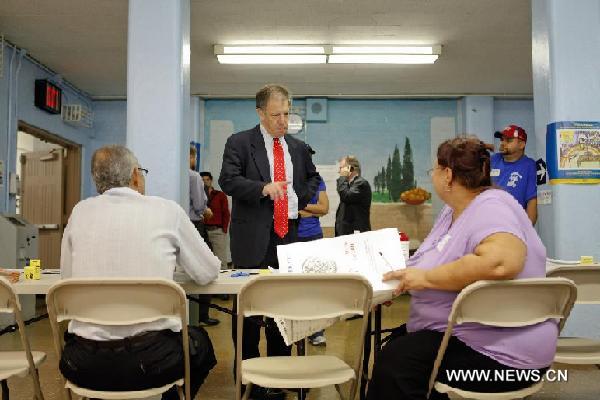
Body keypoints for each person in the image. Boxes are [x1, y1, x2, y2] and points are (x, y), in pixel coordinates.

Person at [367, 137, 551, 400]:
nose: (434, 177)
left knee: (396, 364)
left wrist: (426, 279)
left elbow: (502, 262)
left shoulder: (492, 206)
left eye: (435, 171)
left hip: (500, 356)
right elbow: (431, 259)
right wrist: (399, 281)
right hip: (471, 336)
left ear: (448, 175)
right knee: (396, 344)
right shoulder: (455, 211)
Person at [59, 145, 221, 400]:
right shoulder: (167, 210)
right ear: (135, 175)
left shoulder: (80, 213)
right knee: (200, 343)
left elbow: (66, 283)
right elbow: (207, 271)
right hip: (151, 361)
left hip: (84, 362)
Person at [219, 84, 321, 400]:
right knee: (250, 312)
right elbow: (228, 181)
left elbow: (314, 178)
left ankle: (278, 375)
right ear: (260, 112)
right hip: (253, 237)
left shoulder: (298, 147)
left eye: (287, 113)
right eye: (276, 114)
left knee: (282, 309)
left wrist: (299, 195)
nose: (282, 121)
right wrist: (264, 188)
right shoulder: (240, 142)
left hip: (288, 237)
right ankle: (250, 376)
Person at [297, 144, 330, 346]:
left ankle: (316, 331)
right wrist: (311, 209)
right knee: (294, 289)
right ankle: (297, 329)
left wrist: (301, 207)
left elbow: (324, 208)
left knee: (314, 287)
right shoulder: (288, 181)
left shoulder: (318, 180)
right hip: (290, 240)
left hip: (313, 237)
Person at [189, 147, 219, 326]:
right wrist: (206, 211)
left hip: (184, 225)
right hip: (196, 225)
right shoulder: (193, 177)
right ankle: (202, 315)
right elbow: (200, 205)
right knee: (208, 264)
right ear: (192, 157)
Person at [491, 125, 537, 225]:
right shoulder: (493, 160)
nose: (503, 143)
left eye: (509, 140)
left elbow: (532, 201)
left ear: (521, 144)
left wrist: (527, 232)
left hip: (512, 225)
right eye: (502, 140)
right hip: (489, 221)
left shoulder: (529, 166)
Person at [199, 171, 230, 270]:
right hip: (202, 231)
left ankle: (224, 282)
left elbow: (226, 213)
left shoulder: (220, 195)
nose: (205, 182)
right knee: (204, 259)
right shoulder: (197, 196)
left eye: (207, 180)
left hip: (217, 230)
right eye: (202, 180)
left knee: (220, 259)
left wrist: (223, 229)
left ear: (211, 180)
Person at [335, 155, 372, 236]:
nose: (339, 172)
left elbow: (346, 196)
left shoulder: (361, 183)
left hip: (356, 235)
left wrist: (342, 177)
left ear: (350, 168)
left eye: (341, 168)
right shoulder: (350, 184)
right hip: (347, 235)